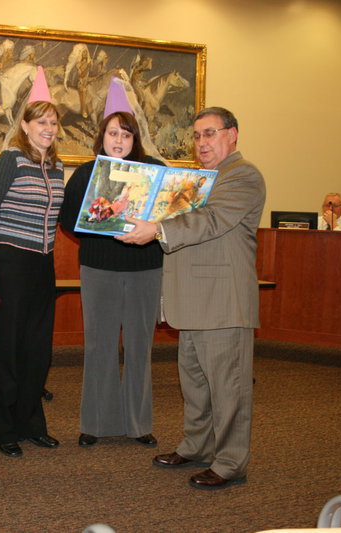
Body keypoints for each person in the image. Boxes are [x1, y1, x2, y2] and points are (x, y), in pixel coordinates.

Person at [117, 107, 266, 490]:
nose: (202, 143)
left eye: (210, 133)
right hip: (192, 300)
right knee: (196, 384)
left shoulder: (243, 175)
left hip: (223, 302)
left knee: (228, 388)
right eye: (197, 136)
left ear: (232, 134)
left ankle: (231, 462)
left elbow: (211, 220)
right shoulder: (199, 179)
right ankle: (197, 445)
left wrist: (156, 229)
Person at [60, 111, 163, 448]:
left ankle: (138, 424)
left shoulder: (154, 173)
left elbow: (170, 217)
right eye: (112, 133)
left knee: (139, 347)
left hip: (145, 270)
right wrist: (95, 232)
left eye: (126, 135)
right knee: (99, 346)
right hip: (98, 268)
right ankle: (97, 423)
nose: (118, 140)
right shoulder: (86, 174)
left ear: (135, 141)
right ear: (101, 137)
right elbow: (67, 221)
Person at [0, 91, 64, 458]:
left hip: (43, 265)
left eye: (53, 122)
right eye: (41, 121)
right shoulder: (9, 160)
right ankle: (2, 429)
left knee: (38, 350)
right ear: (25, 125)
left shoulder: (57, 167)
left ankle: (31, 423)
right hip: (8, 262)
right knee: (9, 349)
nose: (48, 128)